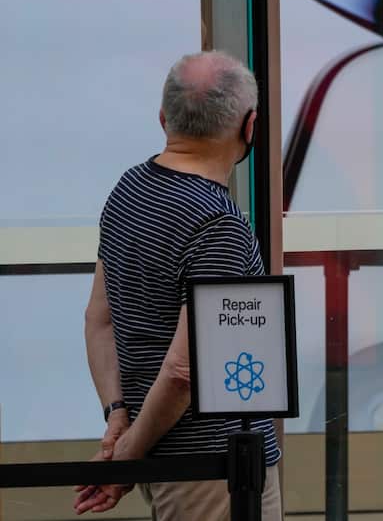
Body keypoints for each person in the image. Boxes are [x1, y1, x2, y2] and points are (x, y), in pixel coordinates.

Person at [75, 51, 283, 519]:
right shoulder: (218, 223)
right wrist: (126, 457)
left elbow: (98, 320)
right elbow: (185, 371)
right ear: (250, 126)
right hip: (217, 467)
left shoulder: (129, 190)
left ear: (164, 119)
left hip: (161, 457)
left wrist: (118, 419)